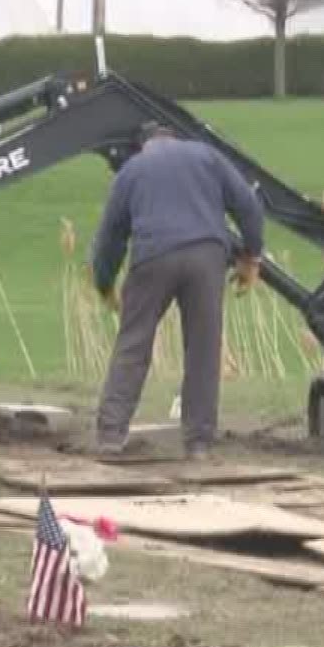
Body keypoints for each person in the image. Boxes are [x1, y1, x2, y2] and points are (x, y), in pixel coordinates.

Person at [89, 122, 264, 459]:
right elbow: (248, 205)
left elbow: (110, 236)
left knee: (134, 343)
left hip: (154, 256)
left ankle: (111, 435)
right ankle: (198, 442)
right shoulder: (207, 156)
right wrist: (252, 256)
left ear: (144, 145)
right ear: (173, 138)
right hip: (207, 257)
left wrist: (105, 283)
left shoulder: (132, 171)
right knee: (203, 349)